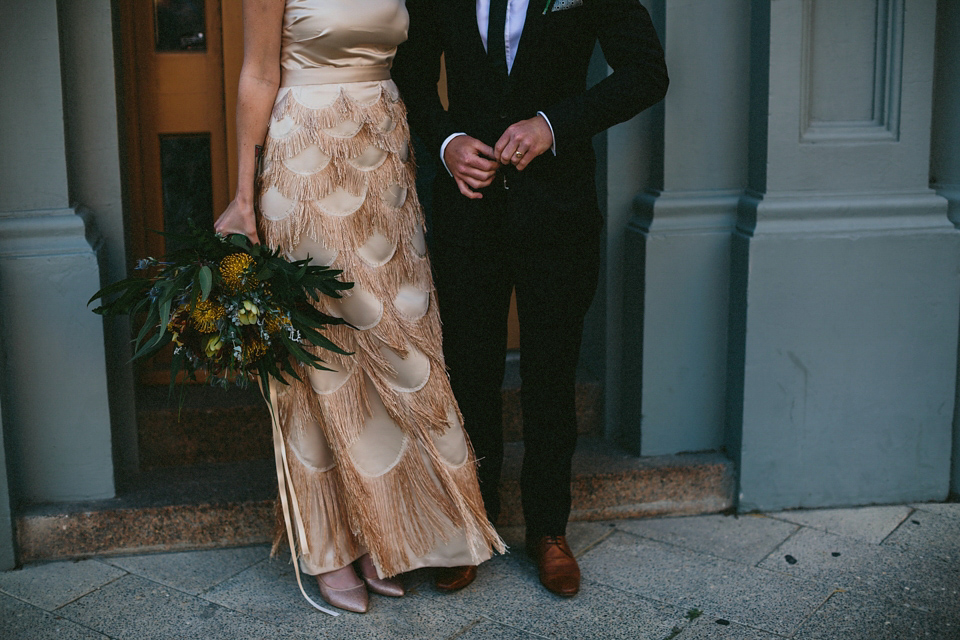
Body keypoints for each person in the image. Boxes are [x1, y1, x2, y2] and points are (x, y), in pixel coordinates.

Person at [214, 0, 504, 615]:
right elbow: (259, 74)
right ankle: (328, 549)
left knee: (401, 347)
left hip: (385, 162)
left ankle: (385, 527)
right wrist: (243, 194)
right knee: (321, 356)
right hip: (305, 164)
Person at [392, 0, 668, 597]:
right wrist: (445, 142)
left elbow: (647, 71)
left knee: (550, 374)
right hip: (468, 210)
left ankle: (548, 531)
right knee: (468, 370)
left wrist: (553, 123)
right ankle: (472, 523)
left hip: (559, 210)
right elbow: (408, 73)